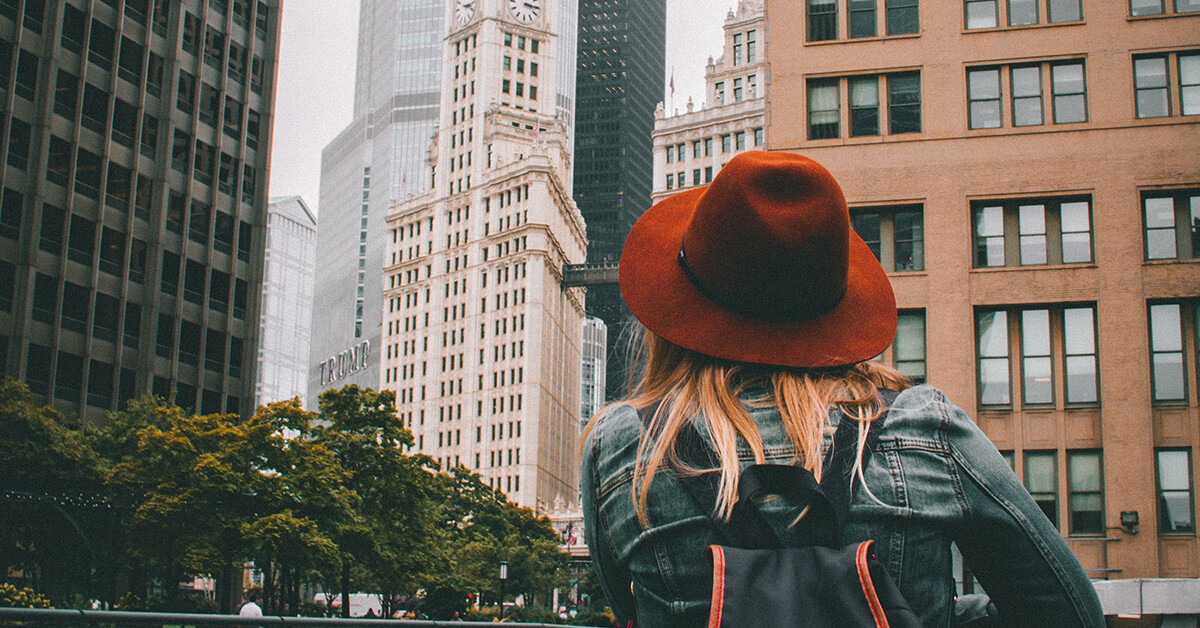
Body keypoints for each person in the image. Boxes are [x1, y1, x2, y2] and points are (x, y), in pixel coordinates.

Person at [580, 151, 1105, 628]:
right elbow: (1068, 612)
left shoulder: (621, 442)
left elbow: (632, 609)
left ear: (678, 310)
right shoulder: (924, 427)